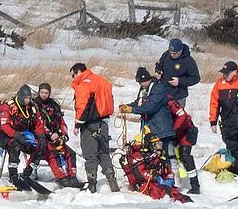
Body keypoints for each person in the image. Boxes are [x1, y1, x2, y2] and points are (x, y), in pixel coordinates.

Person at [119, 67, 180, 185]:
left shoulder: (159, 89)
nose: (141, 85)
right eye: (139, 83)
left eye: (142, 82)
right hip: (150, 129)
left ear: (148, 79)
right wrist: (128, 106)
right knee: (153, 155)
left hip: (162, 129)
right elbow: (139, 103)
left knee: (164, 155)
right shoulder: (144, 90)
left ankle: (170, 180)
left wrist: (132, 110)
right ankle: (155, 180)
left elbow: (151, 106)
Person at [70, 63, 119, 193]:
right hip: (104, 123)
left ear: (78, 72)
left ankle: (92, 186)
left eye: (73, 75)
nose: (73, 78)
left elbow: (82, 106)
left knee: (90, 155)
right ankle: (112, 182)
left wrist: (77, 125)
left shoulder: (84, 84)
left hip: (89, 125)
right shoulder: (102, 81)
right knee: (104, 153)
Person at [32, 82, 82, 188]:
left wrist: (64, 135)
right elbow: (39, 124)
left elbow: (61, 122)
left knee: (71, 153)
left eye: (46, 93)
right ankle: (62, 178)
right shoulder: (35, 105)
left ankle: (72, 177)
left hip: (55, 138)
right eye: (42, 92)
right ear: (39, 92)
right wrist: (50, 134)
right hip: (40, 138)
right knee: (52, 153)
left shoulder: (54, 106)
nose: (44, 95)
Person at [0, 85, 41, 189]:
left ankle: (27, 173)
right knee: (15, 145)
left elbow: (38, 123)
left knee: (40, 146)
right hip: (5, 135)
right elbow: (5, 126)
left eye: (29, 98)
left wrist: (41, 136)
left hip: (23, 135)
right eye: (25, 98)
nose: (27, 101)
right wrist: (16, 135)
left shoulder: (32, 107)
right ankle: (13, 174)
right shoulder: (7, 107)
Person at [154, 38, 200, 106]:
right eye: (171, 53)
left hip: (178, 97)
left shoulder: (189, 61)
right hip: (163, 94)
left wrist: (179, 81)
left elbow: (196, 78)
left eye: (175, 53)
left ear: (180, 51)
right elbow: (159, 65)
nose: (172, 55)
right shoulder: (166, 55)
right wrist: (158, 71)